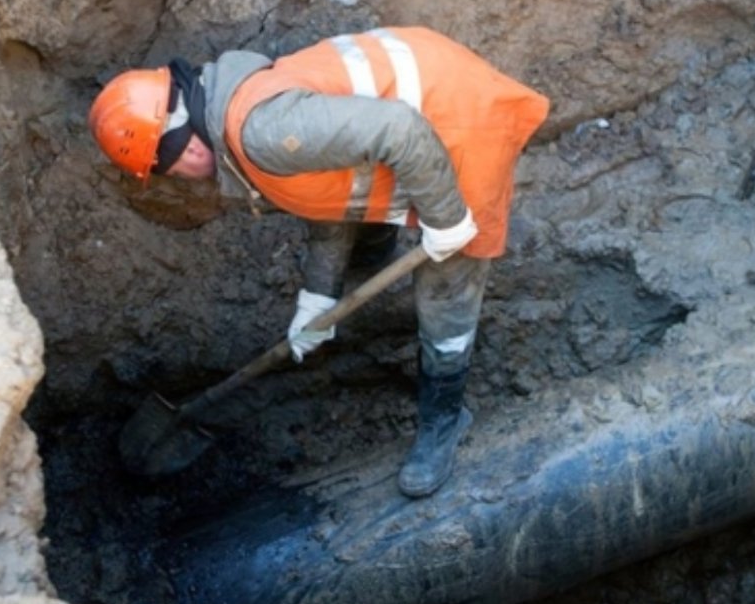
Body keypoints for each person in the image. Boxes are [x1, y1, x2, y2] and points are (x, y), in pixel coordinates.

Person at [89, 26, 548, 498]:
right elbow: (330, 186)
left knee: (447, 284)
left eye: (167, 172)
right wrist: (318, 295)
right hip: (411, 109)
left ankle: (445, 420)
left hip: (458, 119)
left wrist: (448, 220)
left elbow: (400, 129)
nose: (181, 180)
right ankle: (374, 264)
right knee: (374, 203)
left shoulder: (263, 132)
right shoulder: (235, 103)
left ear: (183, 147)